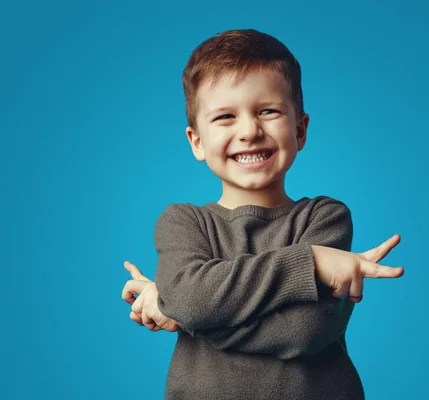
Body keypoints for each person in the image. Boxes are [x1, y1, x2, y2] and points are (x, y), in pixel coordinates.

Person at [121, 29, 404, 399]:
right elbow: (190, 299)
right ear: (197, 142)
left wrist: (180, 313)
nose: (249, 131)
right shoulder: (182, 222)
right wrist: (311, 262)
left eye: (268, 111)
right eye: (225, 117)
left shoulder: (325, 217)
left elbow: (303, 331)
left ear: (300, 130)